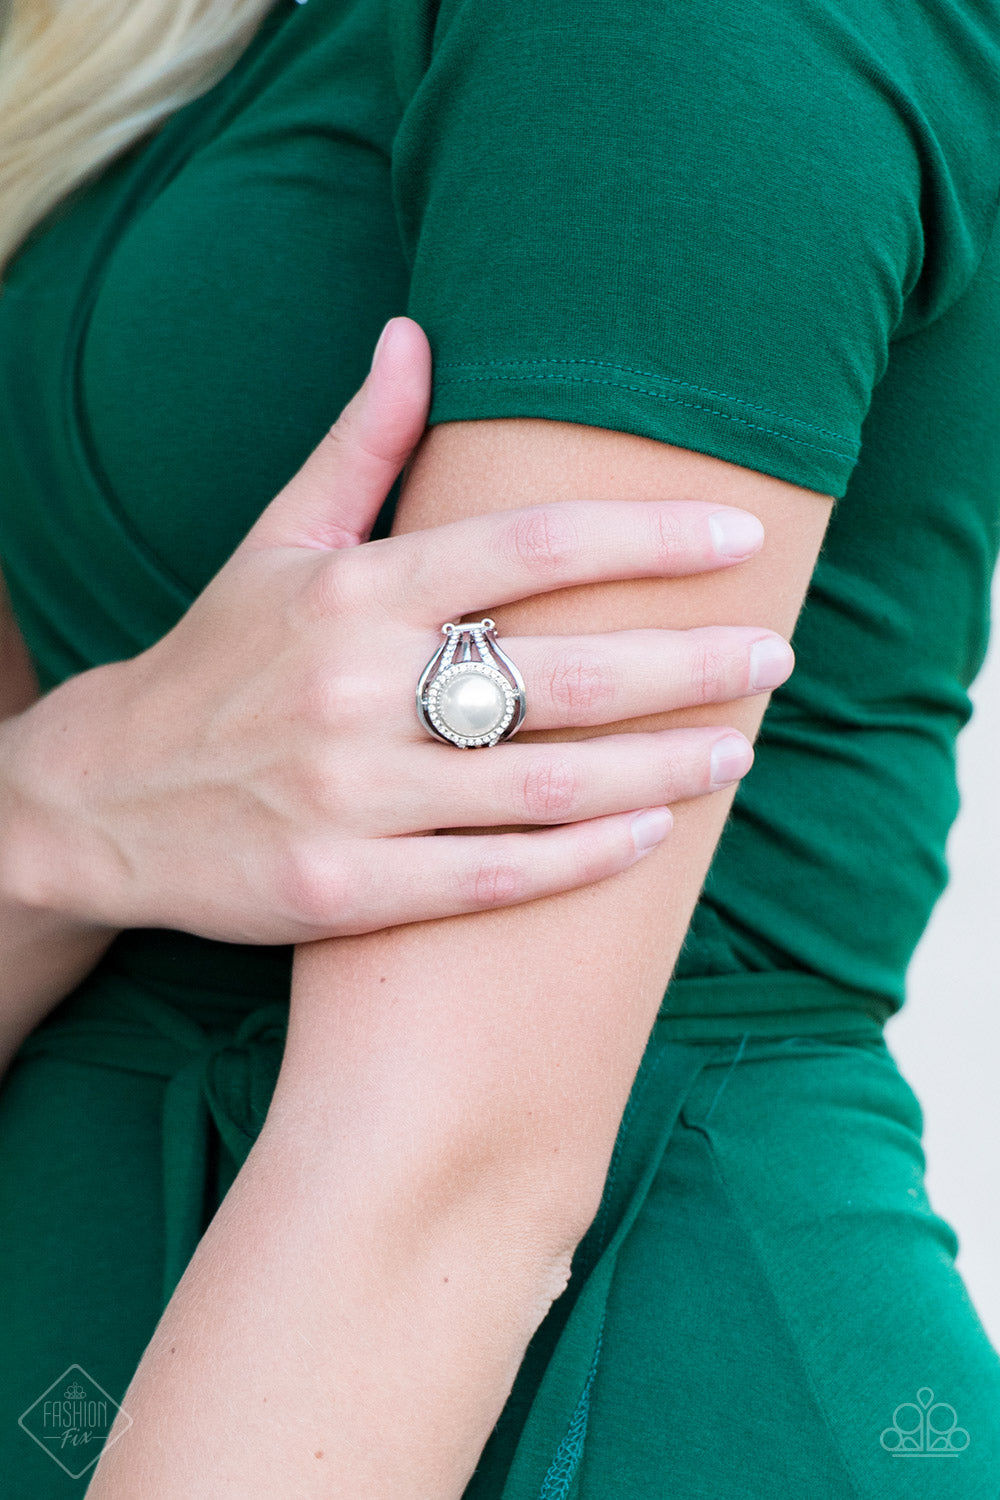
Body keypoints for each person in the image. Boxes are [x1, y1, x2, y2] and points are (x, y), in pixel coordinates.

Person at [0, 0, 998, 1496]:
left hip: (624, 1402)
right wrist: (59, 821)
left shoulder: (671, 41)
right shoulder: (117, 46)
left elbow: (438, 1173)